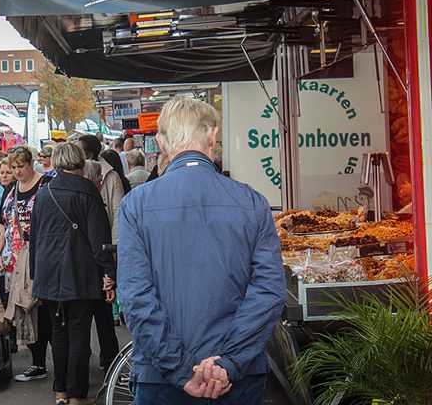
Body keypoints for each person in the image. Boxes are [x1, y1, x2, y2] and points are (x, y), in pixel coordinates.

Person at [117, 97, 285, 405]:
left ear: (161, 142)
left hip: (161, 378)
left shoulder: (136, 205)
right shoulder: (252, 202)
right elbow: (268, 291)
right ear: (212, 136)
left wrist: (181, 369)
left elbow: (136, 296)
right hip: (238, 376)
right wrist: (228, 363)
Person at [30, 142, 116, 405]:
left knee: (59, 333)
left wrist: (35, 273)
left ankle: (60, 392)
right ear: (80, 161)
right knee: (78, 333)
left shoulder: (43, 192)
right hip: (80, 272)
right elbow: (99, 239)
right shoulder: (88, 190)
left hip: (48, 272)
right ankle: (77, 395)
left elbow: (35, 237)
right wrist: (109, 273)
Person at [0, 145, 53, 382]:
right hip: (16, 261)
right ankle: (37, 362)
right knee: (25, 310)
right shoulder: (10, 189)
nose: (17, 172)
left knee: (46, 310)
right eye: (14, 167)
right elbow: (2, 223)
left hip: (42, 257)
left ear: (31, 164)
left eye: (21, 166)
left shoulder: (46, 184)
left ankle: (62, 361)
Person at [75, 135, 121, 372]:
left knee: (101, 315)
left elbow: (117, 214)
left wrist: (113, 250)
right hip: (93, 258)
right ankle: (99, 360)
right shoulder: (82, 188)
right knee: (96, 315)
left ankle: (108, 361)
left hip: (101, 254)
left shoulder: (109, 177)